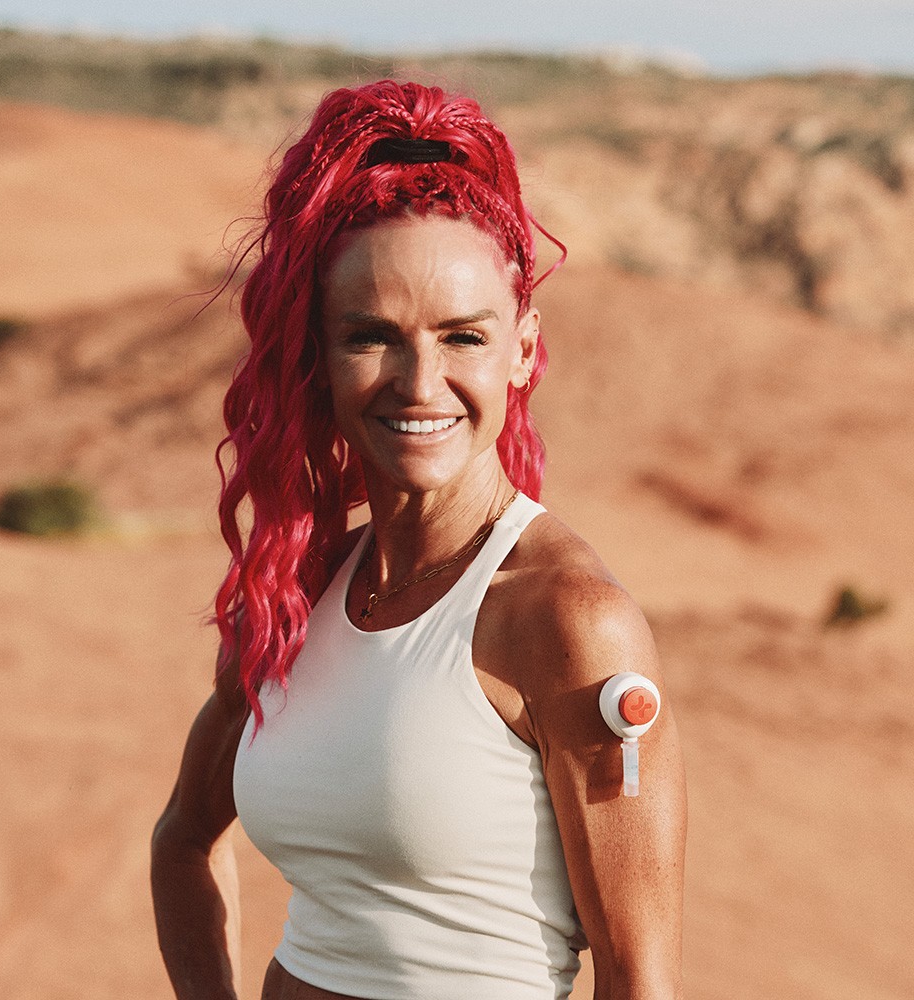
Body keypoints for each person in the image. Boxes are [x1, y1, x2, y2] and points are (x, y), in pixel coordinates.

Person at [151, 79, 686, 1000]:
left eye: (463, 337)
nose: (420, 382)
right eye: (372, 337)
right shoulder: (298, 587)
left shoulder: (568, 622)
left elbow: (640, 982)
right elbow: (184, 840)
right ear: (315, 355)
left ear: (522, 347)